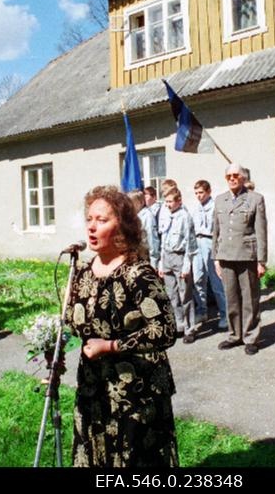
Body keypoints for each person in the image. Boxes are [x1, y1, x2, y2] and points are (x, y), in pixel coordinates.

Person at [65, 185, 178, 467]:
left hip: (135, 393)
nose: (92, 227)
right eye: (89, 219)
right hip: (93, 388)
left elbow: (165, 329)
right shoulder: (82, 272)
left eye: (101, 220)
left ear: (122, 228)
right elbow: (74, 324)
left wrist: (111, 346)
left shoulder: (138, 273)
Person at [213, 163, 267, 355]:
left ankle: (251, 337)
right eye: (228, 176)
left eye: (235, 175)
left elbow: (261, 232)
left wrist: (261, 261)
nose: (232, 179)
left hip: (247, 256)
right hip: (226, 256)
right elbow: (216, 231)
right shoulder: (220, 200)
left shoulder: (255, 199)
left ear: (243, 178)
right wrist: (216, 258)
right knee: (231, 298)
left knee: (250, 298)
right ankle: (235, 335)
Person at [158, 188, 198, 343]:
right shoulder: (165, 214)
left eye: (170, 202)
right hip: (167, 257)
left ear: (179, 201)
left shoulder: (185, 217)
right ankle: (179, 325)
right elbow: (162, 240)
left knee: (185, 296)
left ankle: (190, 329)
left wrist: (187, 265)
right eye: (166, 201)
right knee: (172, 295)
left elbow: (190, 243)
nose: (168, 205)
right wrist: (161, 263)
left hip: (180, 257)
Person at [190, 179, 228, 331]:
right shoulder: (196, 208)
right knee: (198, 279)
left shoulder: (215, 207)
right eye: (196, 193)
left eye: (201, 193)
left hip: (210, 242)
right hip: (197, 243)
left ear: (209, 192)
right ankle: (202, 311)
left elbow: (220, 230)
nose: (198, 196)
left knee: (216, 281)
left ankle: (225, 315)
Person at [127, 190, 159, 269]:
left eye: (132, 203)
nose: (130, 206)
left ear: (140, 202)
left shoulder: (147, 216)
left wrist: (154, 264)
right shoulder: (133, 215)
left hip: (144, 256)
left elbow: (152, 240)